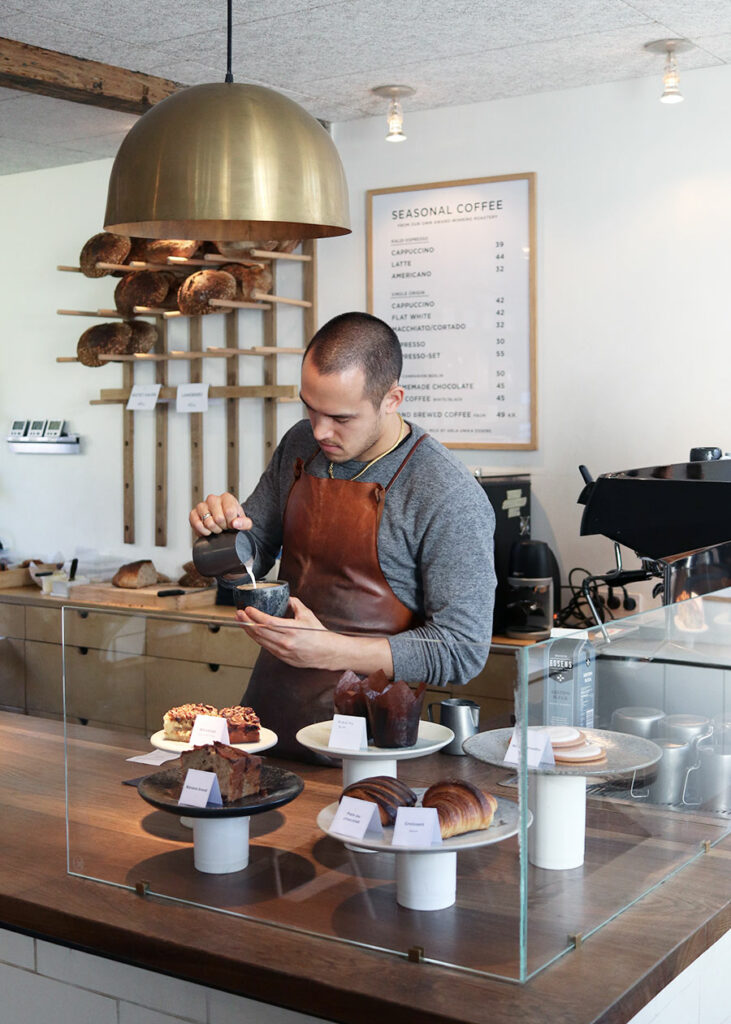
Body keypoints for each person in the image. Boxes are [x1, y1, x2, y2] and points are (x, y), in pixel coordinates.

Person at [190, 312, 496, 760]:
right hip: (271, 719)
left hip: (372, 742)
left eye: (340, 418)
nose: (319, 431)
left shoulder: (446, 493)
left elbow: (462, 650)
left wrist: (332, 651)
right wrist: (216, 535)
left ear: (392, 399)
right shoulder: (301, 445)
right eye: (309, 408)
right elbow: (248, 560)